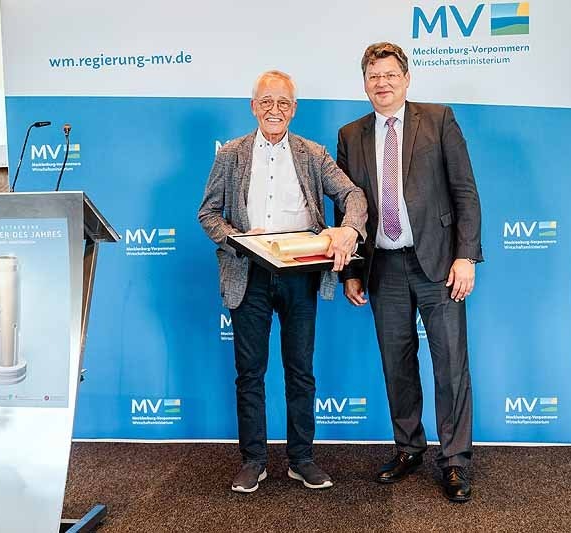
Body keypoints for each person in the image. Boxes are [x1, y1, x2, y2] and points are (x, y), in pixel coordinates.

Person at [199, 70, 367, 493]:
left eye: (283, 103)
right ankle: (253, 460)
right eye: (266, 101)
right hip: (248, 272)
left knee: (301, 371)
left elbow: (353, 196)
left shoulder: (313, 153)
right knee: (249, 373)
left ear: (293, 110)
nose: (274, 109)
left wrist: (349, 230)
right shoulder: (230, 155)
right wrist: (237, 239)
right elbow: (208, 214)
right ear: (253, 107)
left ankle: (301, 458)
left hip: (300, 275)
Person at [335, 42, 483, 502]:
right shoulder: (350, 135)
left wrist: (466, 256)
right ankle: (409, 448)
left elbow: (465, 191)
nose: (382, 83)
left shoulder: (438, 119)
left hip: (439, 264)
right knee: (396, 365)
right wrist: (351, 271)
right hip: (384, 266)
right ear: (365, 83)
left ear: (406, 79)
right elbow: (346, 209)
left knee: (450, 366)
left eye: (390, 75)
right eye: (374, 76)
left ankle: (455, 460)